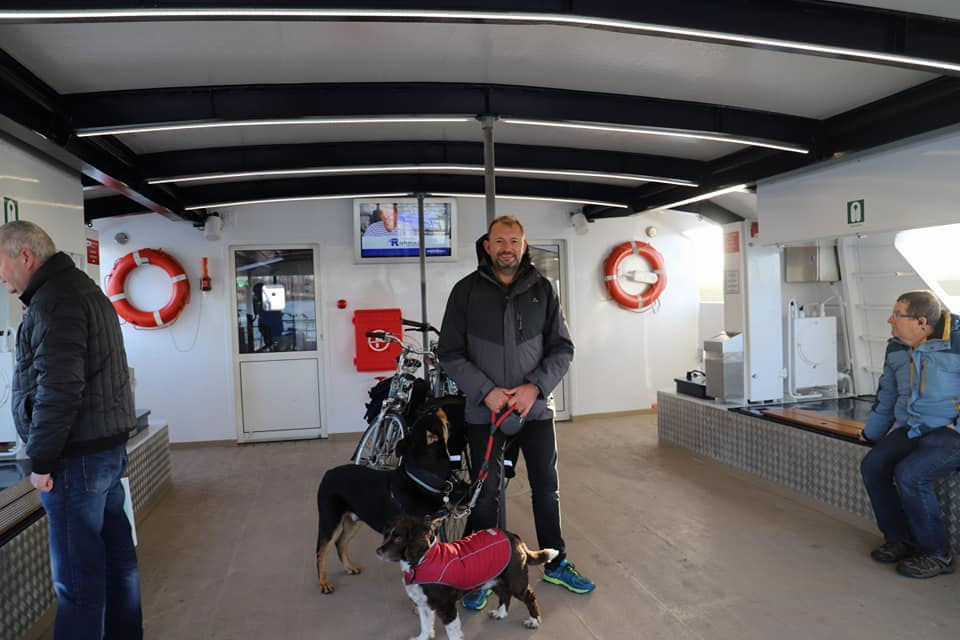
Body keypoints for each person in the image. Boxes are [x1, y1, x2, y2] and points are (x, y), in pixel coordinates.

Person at [438, 215, 594, 610]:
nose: (507, 248)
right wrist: (486, 391)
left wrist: (534, 388)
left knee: (546, 489)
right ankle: (479, 573)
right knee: (485, 495)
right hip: (485, 414)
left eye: (514, 241)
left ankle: (555, 563)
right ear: (487, 245)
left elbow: (563, 348)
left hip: (534, 411)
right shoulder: (465, 292)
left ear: (523, 246)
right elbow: (449, 353)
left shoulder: (543, 290)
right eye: (500, 241)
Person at [0, 221, 142, 638]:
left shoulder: (54, 302)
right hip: (105, 451)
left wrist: (41, 460)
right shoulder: (84, 289)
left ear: (25, 257)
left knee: (77, 581)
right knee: (118, 562)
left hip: (74, 460)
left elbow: (59, 389)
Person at [860, 289, 960, 579]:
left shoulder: (956, 341)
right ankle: (900, 539)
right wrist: (871, 433)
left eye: (897, 315)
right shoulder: (896, 346)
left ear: (921, 322)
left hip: (952, 431)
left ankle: (937, 554)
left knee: (910, 474)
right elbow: (887, 394)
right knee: (873, 465)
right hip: (914, 427)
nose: (889, 320)